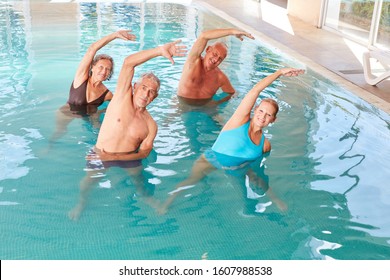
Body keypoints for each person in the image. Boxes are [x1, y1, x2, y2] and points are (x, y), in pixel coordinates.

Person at [68, 40, 187, 220]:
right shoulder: (121, 98)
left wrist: (115, 158)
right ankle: (82, 203)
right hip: (101, 153)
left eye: (151, 92)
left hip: (128, 159)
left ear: (155, 97)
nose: (146, 94)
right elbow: (128, 63)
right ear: (134, 88)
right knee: (87, 184)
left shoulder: (150, 125)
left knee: (139, 184)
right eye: (143, 88)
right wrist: (159, 51)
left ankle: (149, 200)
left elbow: (144, 153)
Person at [159, 68, 305, 214]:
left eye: (268, 115)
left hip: (237, 169)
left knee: (246, 196)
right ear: (255, 110)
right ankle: (166, 204)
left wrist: (275, 199)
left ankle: (253, 208)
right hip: (212, 158)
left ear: (273, 120)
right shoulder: (239, 121)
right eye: (261, 111)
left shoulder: (265, 145)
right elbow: (255, 91)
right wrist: (279, 73)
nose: (263, 116)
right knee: (191, 181)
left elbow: (259, 172)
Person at [49, 30, 136, 145]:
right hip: (67, 113)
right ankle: (49, 147)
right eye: (101, 67)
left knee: (99, 131)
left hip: (88, 116)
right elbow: (92, 49)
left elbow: (119, 106)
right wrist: (114, 35)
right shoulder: (81, 79)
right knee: (60, 132)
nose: (103, 71)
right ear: (92, 67)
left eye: (107, 69)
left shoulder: (107, 94)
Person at [177, 28, 254, 106]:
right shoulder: (193, 62)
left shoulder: (220, 77)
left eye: (220, 58)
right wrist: (231, 31)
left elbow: (232, 93)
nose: (216, 59)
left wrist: (217, 103)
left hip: (204, 109)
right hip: (181, 104)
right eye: (215, 54)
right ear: (208, 49)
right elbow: (204, 36)